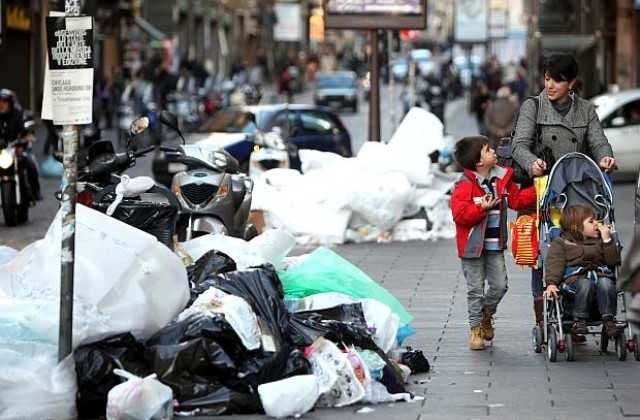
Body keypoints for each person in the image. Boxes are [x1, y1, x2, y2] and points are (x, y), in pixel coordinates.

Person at [511, 53, 616, 333]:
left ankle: (574, 314)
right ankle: (545, 317)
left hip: (577, 190)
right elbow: (518, 144)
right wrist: (531, 162)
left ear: (571, 82)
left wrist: (606, 158)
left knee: (579, 249)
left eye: (557, 80)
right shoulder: (533, 106)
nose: (550, 85)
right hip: (544, 187)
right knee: (544, 252)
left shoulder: (585, 110)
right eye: (547, 78)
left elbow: (599, 142)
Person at [450, 135, 537, 350]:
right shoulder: (464, 185)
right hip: (472, 247)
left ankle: (486, 314)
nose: (494, 152)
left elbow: (516, 200)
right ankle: (475, 329)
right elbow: (460, 215)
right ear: (479, 161)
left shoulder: (502, 179)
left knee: (499, 286)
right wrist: (481, 209)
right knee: (475, 290)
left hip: (495, 245)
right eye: (488, 150)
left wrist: (540, 189)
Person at [543, 205, 620, 336]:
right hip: (574, 282)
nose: (597, 223)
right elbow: (555, 264)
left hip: (598, 278)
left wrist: (607, 240)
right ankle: (579, 319)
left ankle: (608, 318)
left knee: (606, 283)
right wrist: (551, 283)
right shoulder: (561, 243)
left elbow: (612, 261)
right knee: (585, 284)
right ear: (576, 227)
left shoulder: (601, 241)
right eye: (591, 221)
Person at [0, 89, 41, 201]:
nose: (1, 105)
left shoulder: (18, 115)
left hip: (18, 149)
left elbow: (27, 127)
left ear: (10, 103)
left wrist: (29, 135)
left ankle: (35, 190)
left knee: (30, 163)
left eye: (4, 102)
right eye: (0, 102)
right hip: (2, 151)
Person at [484, 86, 519, 150]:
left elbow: (488, 122)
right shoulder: (512, 107)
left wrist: (496, 131)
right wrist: (505, 131)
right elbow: (514, 122)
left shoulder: (492, 106)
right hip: (507, 138)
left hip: (493, 138)